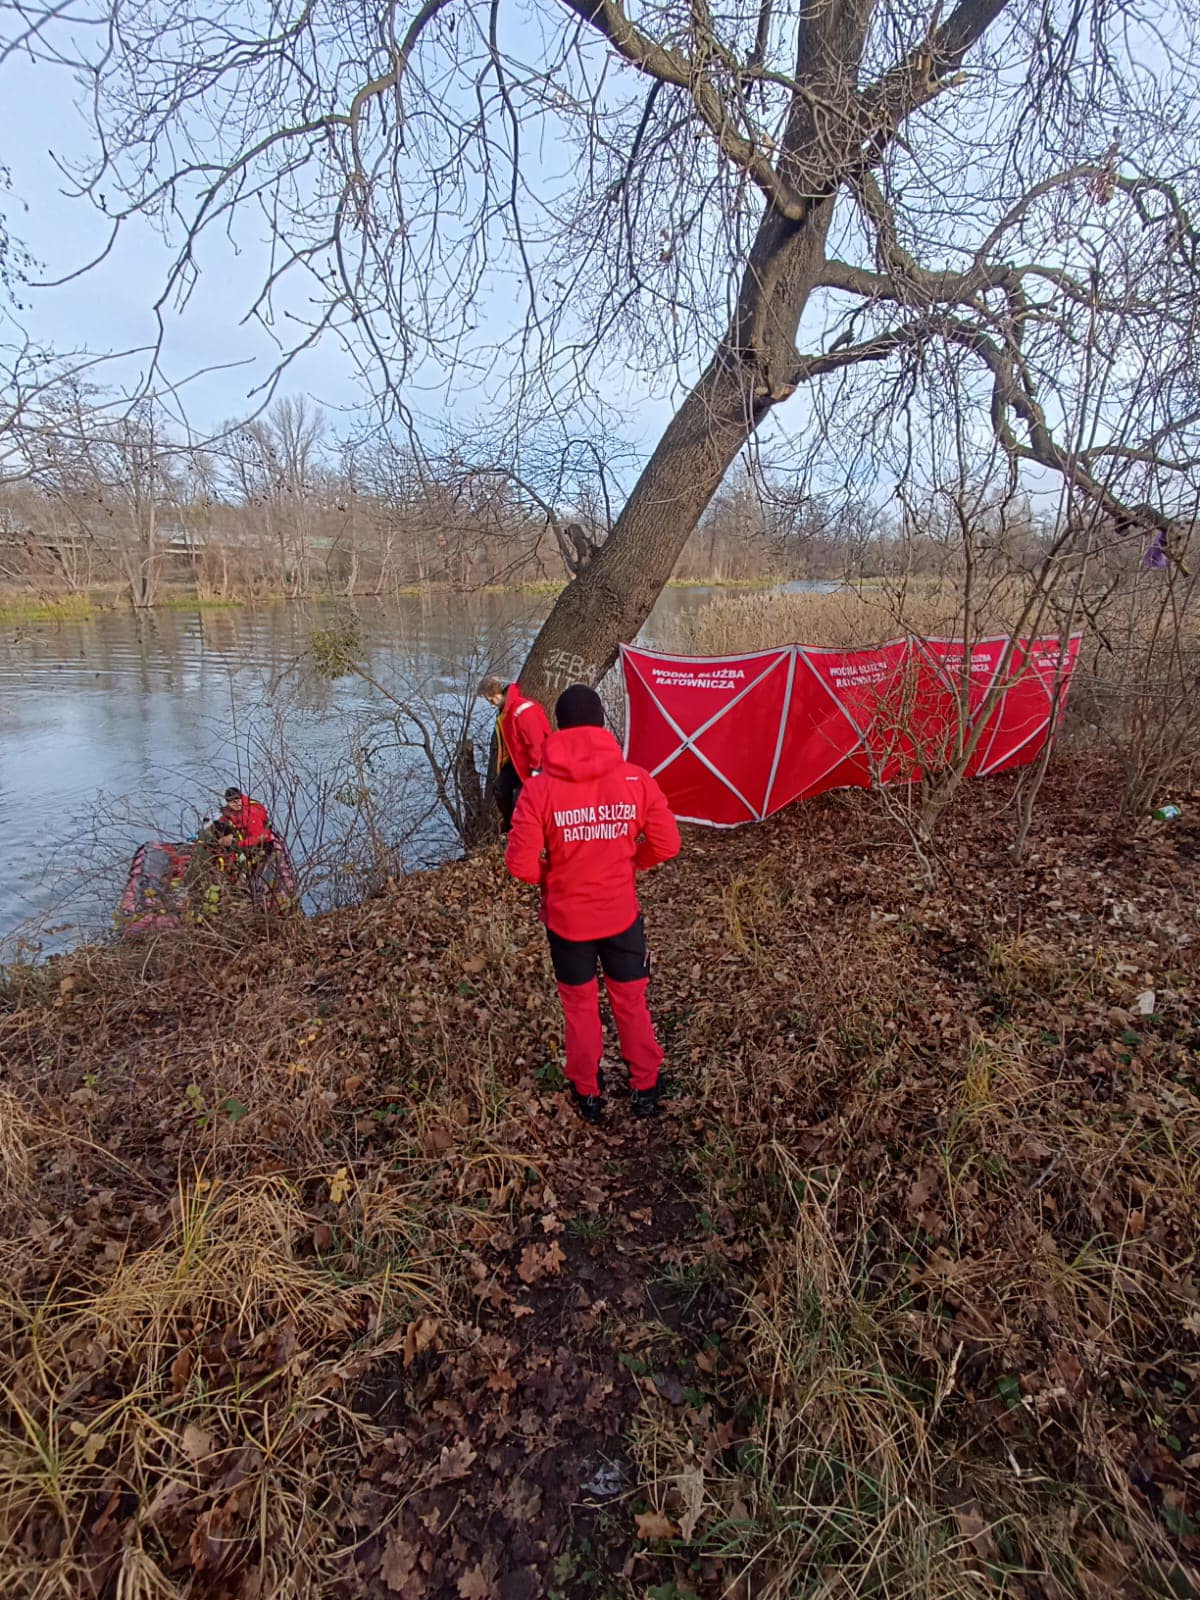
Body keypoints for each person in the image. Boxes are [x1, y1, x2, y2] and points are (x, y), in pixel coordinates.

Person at [505, 683, 680, 1123]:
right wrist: (631, 863)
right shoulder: (635, 779)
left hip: (567, 922)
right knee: (630, 1002)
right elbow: (667, 843)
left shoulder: (539, 790)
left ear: (559, 727)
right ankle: (646, 1086)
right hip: (621, 915)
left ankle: (588, 1092)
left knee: (580, 1008)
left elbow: (520, 864)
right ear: (602, 723)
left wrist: (553, 877)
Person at [477, 675, 551, 829]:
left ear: (497, 694)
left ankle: (521, 830)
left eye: (489, 698)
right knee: (500, 788)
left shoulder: (522, 711)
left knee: (521, 801)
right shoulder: (505, 711)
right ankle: (509, 825)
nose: (489, 702)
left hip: (535, 764)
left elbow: (536, 744)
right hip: (518, 762)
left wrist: (536, 771)